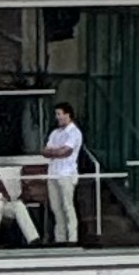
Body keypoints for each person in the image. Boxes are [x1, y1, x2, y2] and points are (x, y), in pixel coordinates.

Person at [43, 103, 86, 243]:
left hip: (66, 174)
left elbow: (66, 152)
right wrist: (57, 152)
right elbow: (45, 151)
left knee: (68, 207)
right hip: (53, 174)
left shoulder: (74, 132)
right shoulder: (55, 133)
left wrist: (54, 152)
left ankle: (72, 238)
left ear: (68, 114)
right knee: (56, 209)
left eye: (59, 114)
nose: (57, 117)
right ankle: (60, 239)